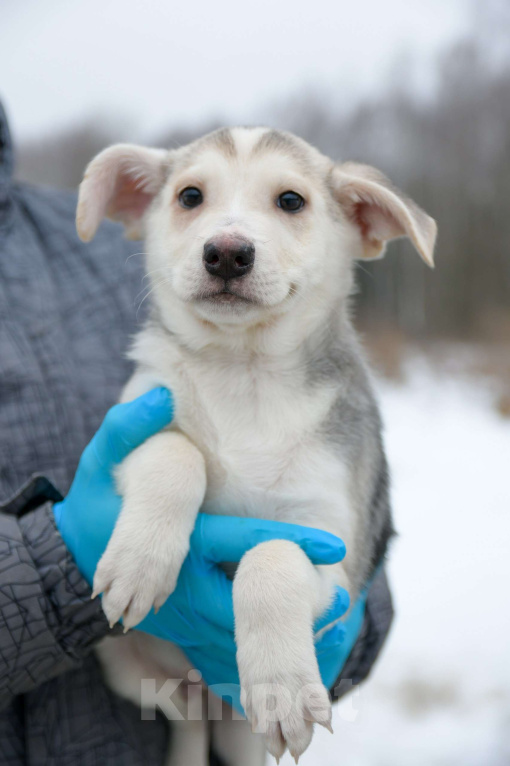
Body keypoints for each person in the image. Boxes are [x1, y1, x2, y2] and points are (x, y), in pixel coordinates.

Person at [0, 102, 393, 765]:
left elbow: (351, 568)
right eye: (191, 197)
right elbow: (150, 457)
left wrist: (348, 620)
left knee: (240, 726)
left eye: (289, 201)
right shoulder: (135, 290)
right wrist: (54, 566)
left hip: (213, 706)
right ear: (140, 206)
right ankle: (189, 726)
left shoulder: (76, 255)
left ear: (358, 222)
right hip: (130, 680)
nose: (229, 239)